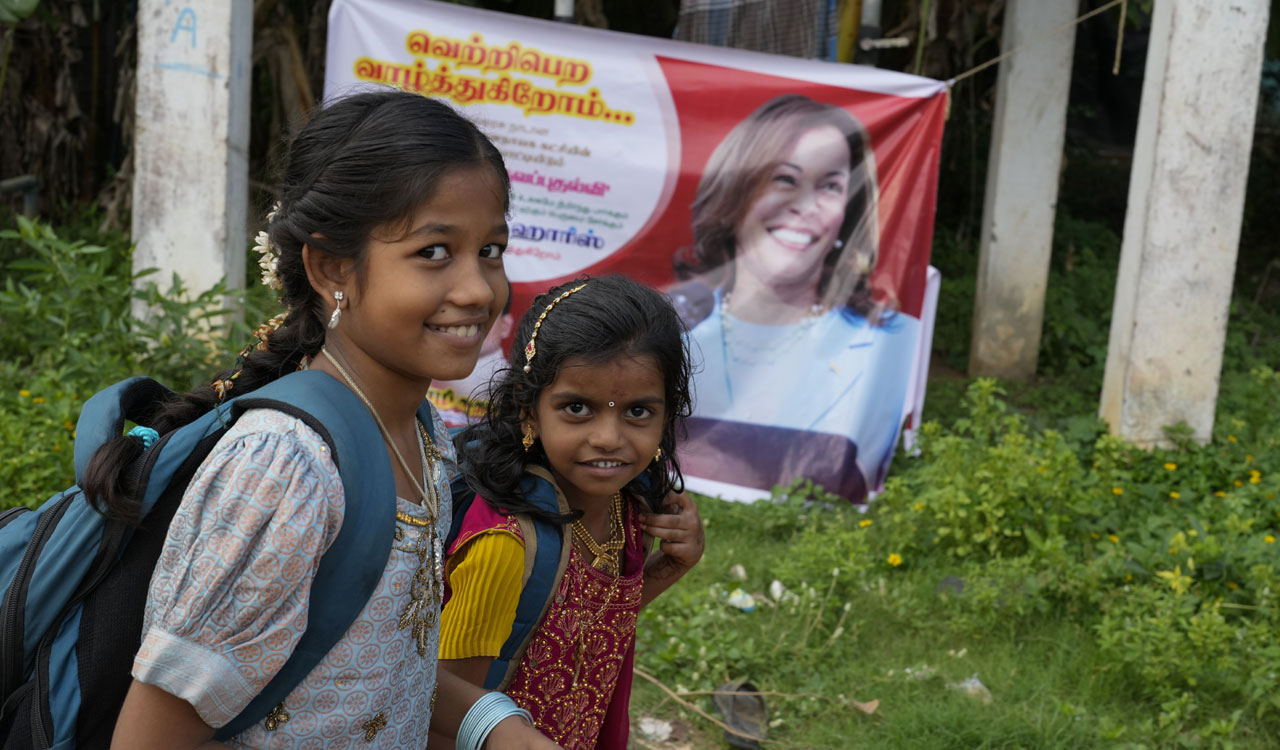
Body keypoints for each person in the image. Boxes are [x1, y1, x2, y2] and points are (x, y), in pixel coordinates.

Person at [93, 89, 561, 749]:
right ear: (331, 267)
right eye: (434, 251)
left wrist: (499, 728)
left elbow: (380, 668)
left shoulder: (421, 433)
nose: (478, 289)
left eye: (490, 250)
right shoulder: (287, 471)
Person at [435, 275, 705, 749]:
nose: (608, 438)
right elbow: (442, 710)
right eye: (578, 408)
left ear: (668, 413)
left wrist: (669, 568)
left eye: (637, 412)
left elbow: (579, 630)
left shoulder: (629, 507)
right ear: (528, 410)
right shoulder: (504, 547)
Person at [673, 94, 920, 499]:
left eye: (830, 186)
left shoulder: (894, 343)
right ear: (735, 194)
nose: (805, 206)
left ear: (848, 213)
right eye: (785, 179)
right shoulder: (665, 333)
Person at [429, 299, 514, 427]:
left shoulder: (515, 389)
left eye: (486, 312)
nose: (467, 322)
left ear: (505, 326)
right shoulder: (419, 370)